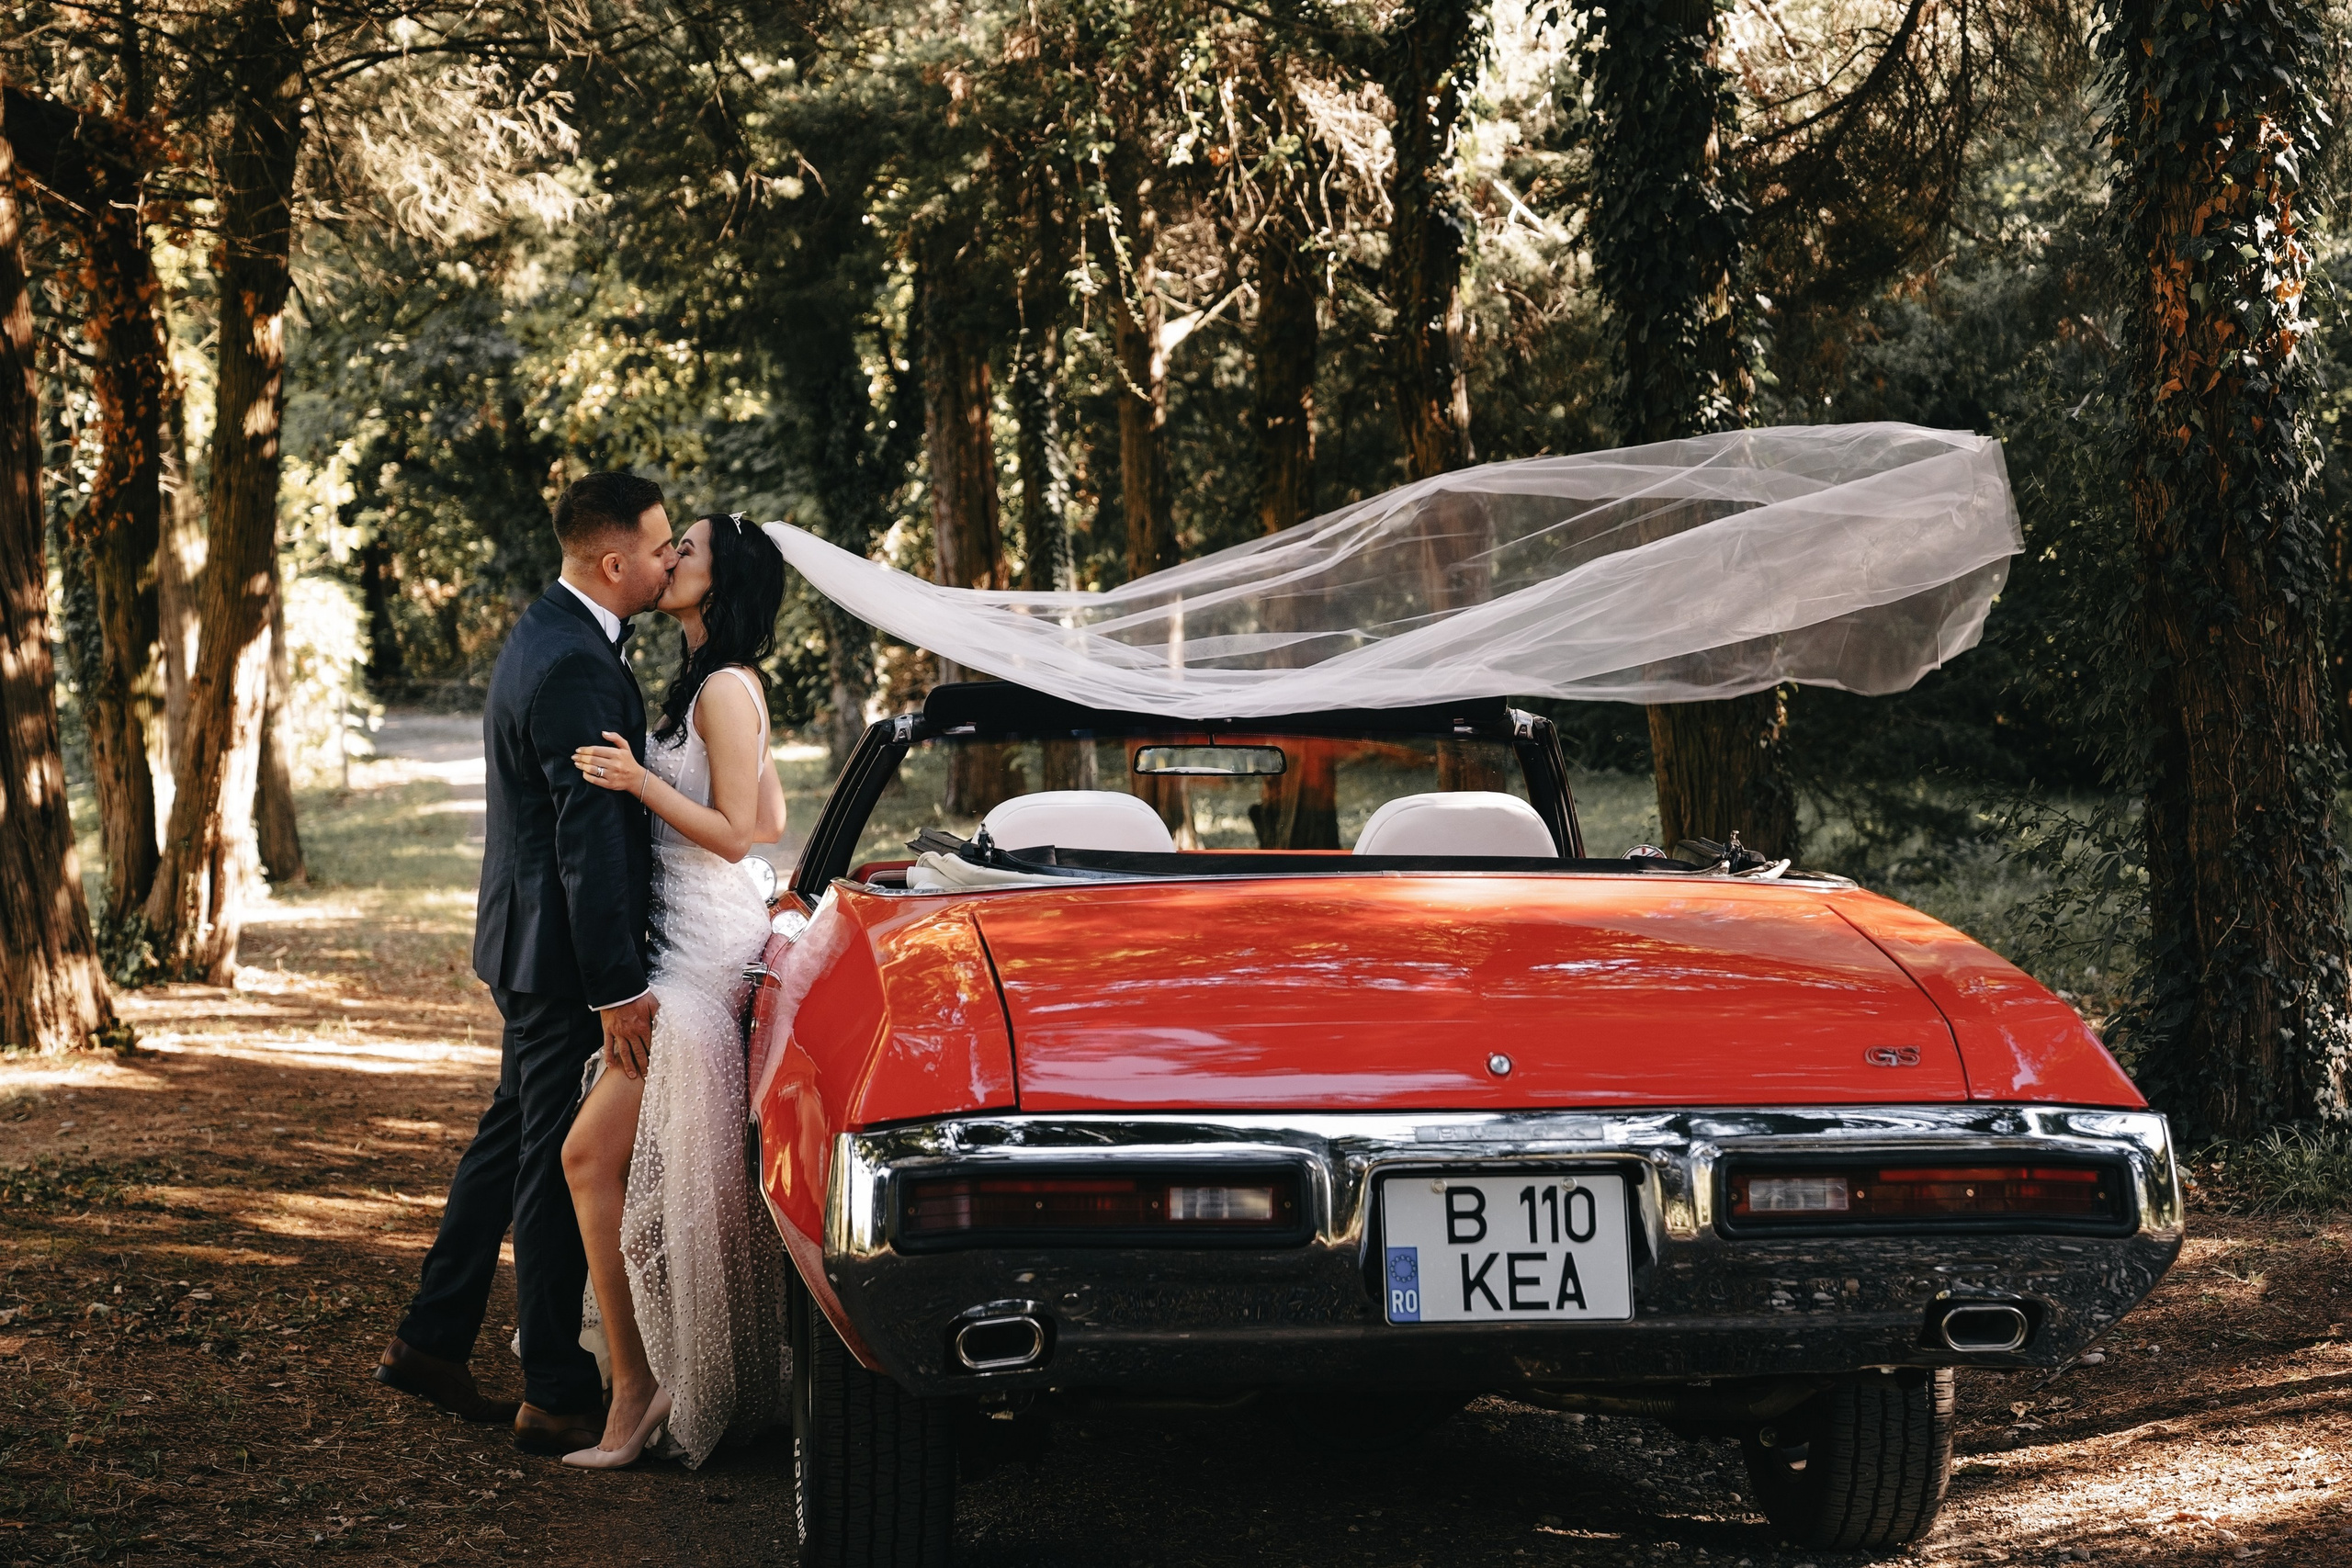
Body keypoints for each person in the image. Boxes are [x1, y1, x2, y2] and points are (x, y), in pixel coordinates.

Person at [375, 472, 675, 1457]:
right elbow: (587, 843)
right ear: (614, 561)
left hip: (521, 937)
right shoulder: (579, 667)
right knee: (554, 1162)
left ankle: (432, 1337)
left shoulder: (550, 628)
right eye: (661, 546)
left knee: (511, 1139)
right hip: (557, 960)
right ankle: (553, 1387)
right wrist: (618, 989)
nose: (670, 560)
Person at [558, 511, 792, 1468]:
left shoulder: (726, 690)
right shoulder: (707, 684)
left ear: (719, 580)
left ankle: (640, 1386)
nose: (669, 559)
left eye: (685, 549)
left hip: (700, 968)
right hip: (696, 938)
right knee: (642, 1180)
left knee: (587, 1159)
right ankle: (650, 1371)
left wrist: (635, 784)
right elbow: (774, 813)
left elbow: (739, 830)